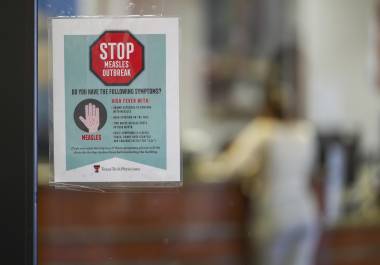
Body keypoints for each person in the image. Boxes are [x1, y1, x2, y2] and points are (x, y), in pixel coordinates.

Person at [196, 69, 320, 265]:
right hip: (305, 214)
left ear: (266, 106)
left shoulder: (262, 131)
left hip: (275, 215)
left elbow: (230, 167)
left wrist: (200, 168)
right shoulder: (305, 132)